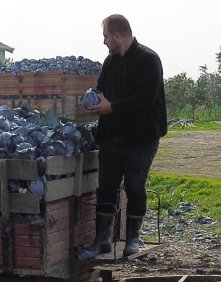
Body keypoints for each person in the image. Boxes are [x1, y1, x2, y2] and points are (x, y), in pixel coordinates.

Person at [80, 14, 167, 259]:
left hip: (140, 138)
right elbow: (103, 90)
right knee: (106, 187)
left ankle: (133, 239)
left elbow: (146, 98)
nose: (104, 41)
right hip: (112, 137)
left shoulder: (148, 60)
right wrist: (93, 99)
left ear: (117, 35)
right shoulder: (110, 62)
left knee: (135, 186)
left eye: (106, 36)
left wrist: (111, 107)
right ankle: (102, 241)